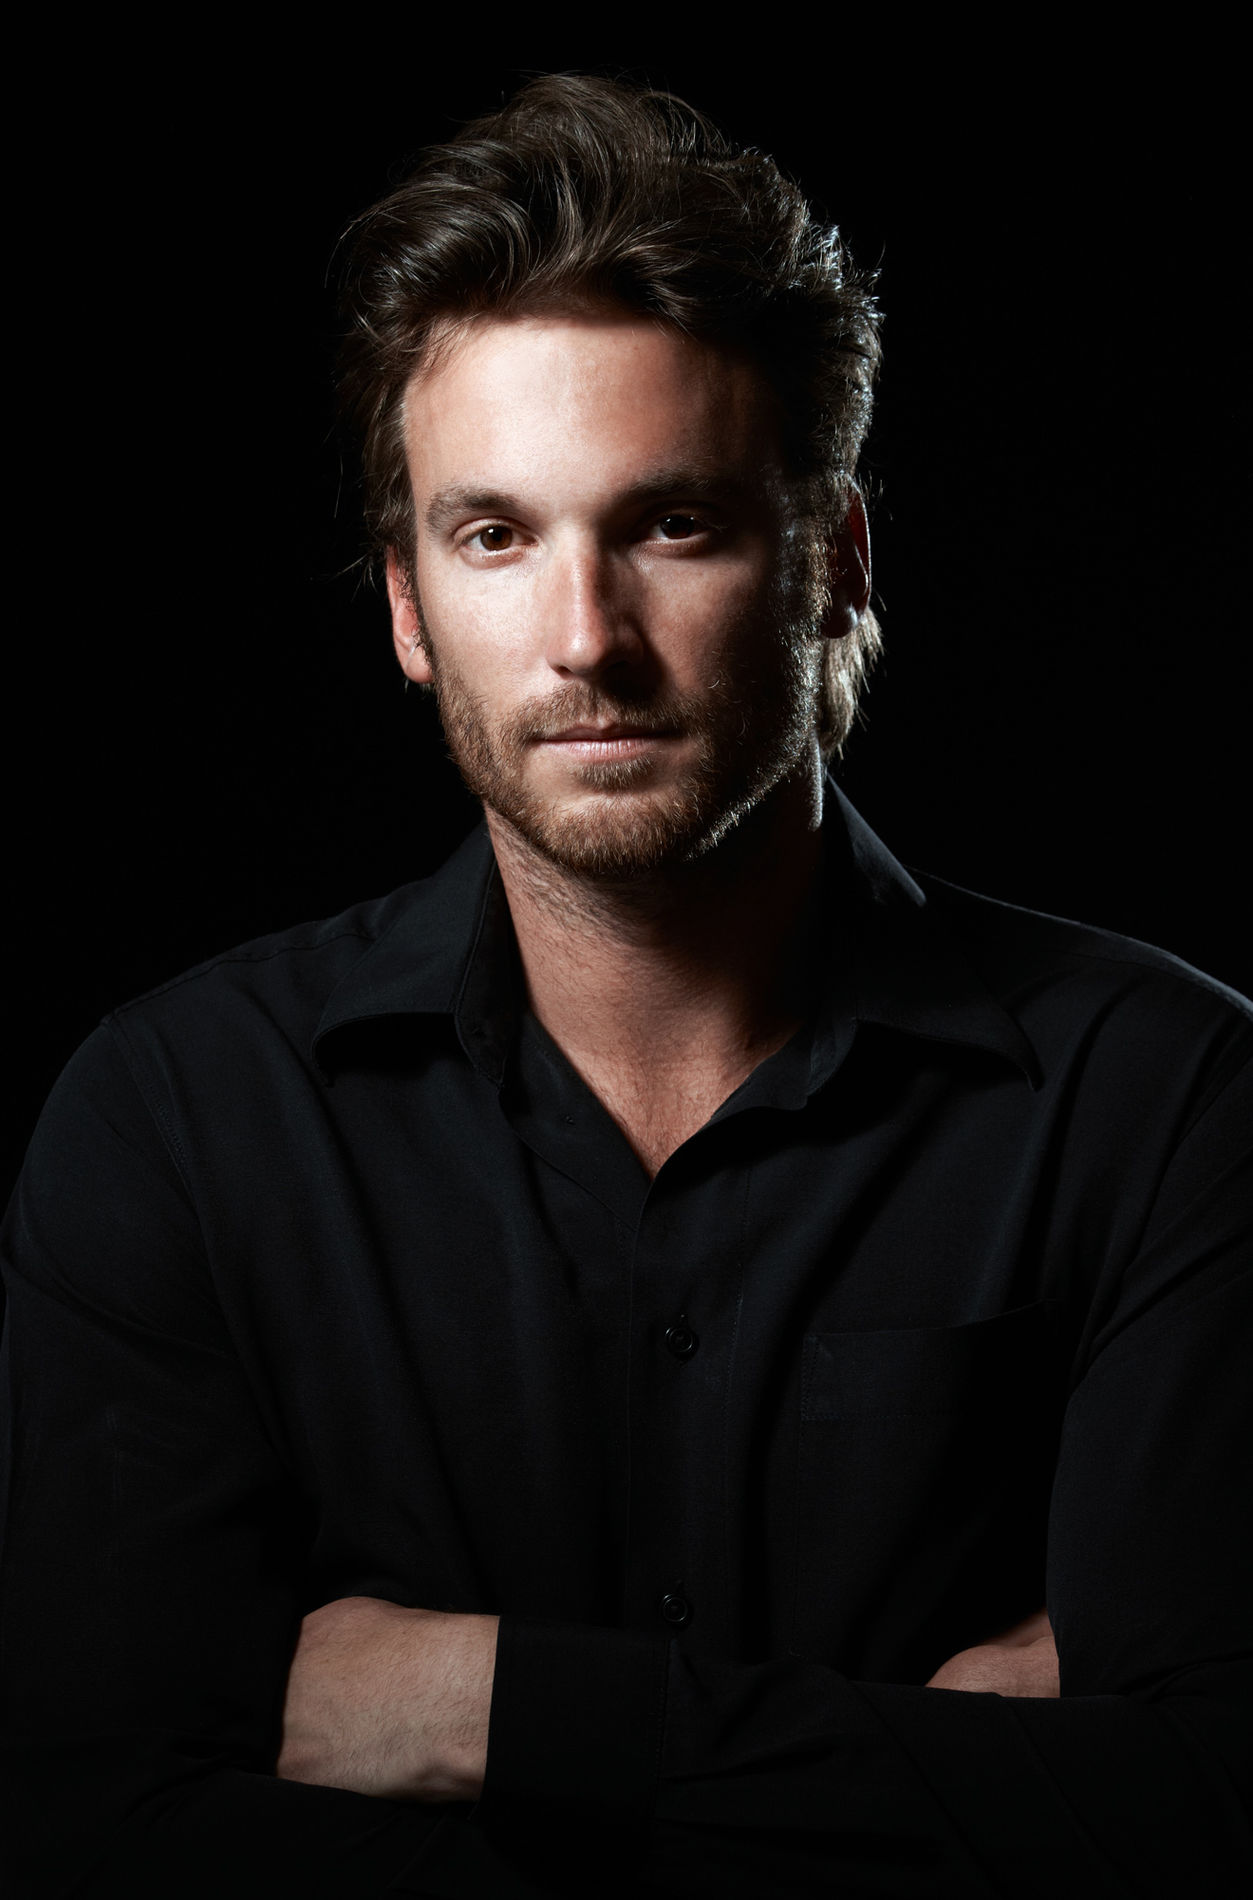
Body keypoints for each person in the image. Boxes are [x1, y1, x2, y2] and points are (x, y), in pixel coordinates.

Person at [2, 73, 1249, 1899]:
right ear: (409, 605)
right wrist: (944, 1786)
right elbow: (91, 1848)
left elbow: (1212, 1823)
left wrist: (494, 1709)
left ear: (832, 562)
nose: (583, 641)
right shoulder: (180, 1122)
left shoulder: (1164, 1101)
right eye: (494, 536)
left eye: (671, 524)